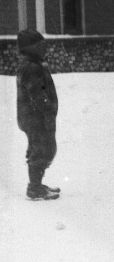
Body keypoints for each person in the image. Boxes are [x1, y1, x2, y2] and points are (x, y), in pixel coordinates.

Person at [16, 29, 60, 201]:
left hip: (34, 117)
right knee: (44, 150)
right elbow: (37, 95)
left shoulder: (33, 64)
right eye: (41, 45)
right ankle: (34, 189)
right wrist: (48, 110)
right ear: (32, 48)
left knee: (39, 149)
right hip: (36, 117)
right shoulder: (30, 67)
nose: (45, 48)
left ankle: (37, 185)